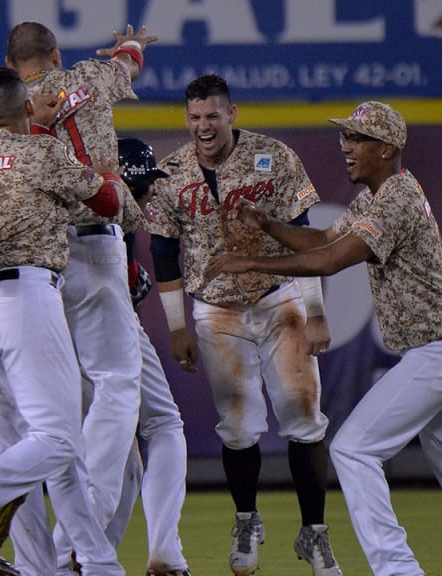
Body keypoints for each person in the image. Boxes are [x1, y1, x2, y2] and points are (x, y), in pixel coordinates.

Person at [205, 101, 442, 576]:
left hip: (441, 352)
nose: (346, 147)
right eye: (344, 137)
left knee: (353, 449)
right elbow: (323, 240)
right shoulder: (376, 197)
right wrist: (268, 226)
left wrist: (251, 262)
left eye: (358, 138)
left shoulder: (397, 199)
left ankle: (397, 570)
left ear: (387, 148)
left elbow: (329, 263)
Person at [142, 74, 341, 576]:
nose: (202, 126)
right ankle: (247, 521)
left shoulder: (274, 156)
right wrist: (177, 327)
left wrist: (315, 312)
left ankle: (314, 531)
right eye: (194, 117)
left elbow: (305, 239)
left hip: (279, 296)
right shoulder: (171, 173)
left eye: (212, 115)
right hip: (215, 308)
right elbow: (164, 254)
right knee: (237, 425)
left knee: (303, 413)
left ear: (232, 114)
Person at [0, 21, 158, 574]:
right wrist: (129, 48)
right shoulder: (88, 76)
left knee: (33, 424)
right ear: (55, 55)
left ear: (12, 67)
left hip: (31, 261)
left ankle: (40, 558)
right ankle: (75, 539)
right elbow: (128, 65)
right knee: (115, 386)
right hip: (95, 241)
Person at [0, 65, 129, 576]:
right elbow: (107, 203)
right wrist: (107, 175)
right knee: (58, 441)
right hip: (28, 303)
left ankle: (83, 565)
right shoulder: (42, 151)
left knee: (33, 447)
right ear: (27, 108)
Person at [103, 137, 192, 576]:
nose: (151, 192)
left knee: (124, 464)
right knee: (164, 426)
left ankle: (92, 559)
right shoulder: (118, 222)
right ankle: (165, 553)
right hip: (107, 328)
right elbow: (133, 291)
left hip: (54, 333)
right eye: (146, 184)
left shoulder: (79, 201)